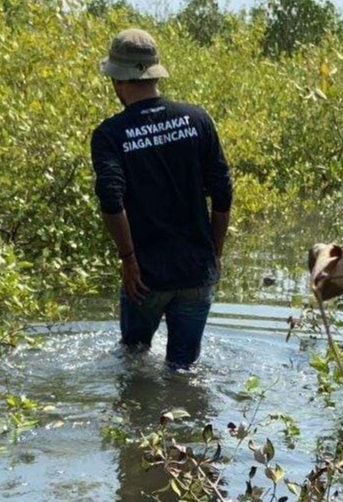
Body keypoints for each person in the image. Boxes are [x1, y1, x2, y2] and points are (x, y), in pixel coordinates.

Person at [90, 28, 233, 370]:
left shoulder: (110, 134)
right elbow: (223, 190)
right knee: (183, 371)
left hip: (146, 276)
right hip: (196, 272)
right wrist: (214, 253)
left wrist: (128, 260)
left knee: (133, 359)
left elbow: (111, 196)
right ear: (154, 73)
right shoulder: (198, 119)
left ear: (118, 81)